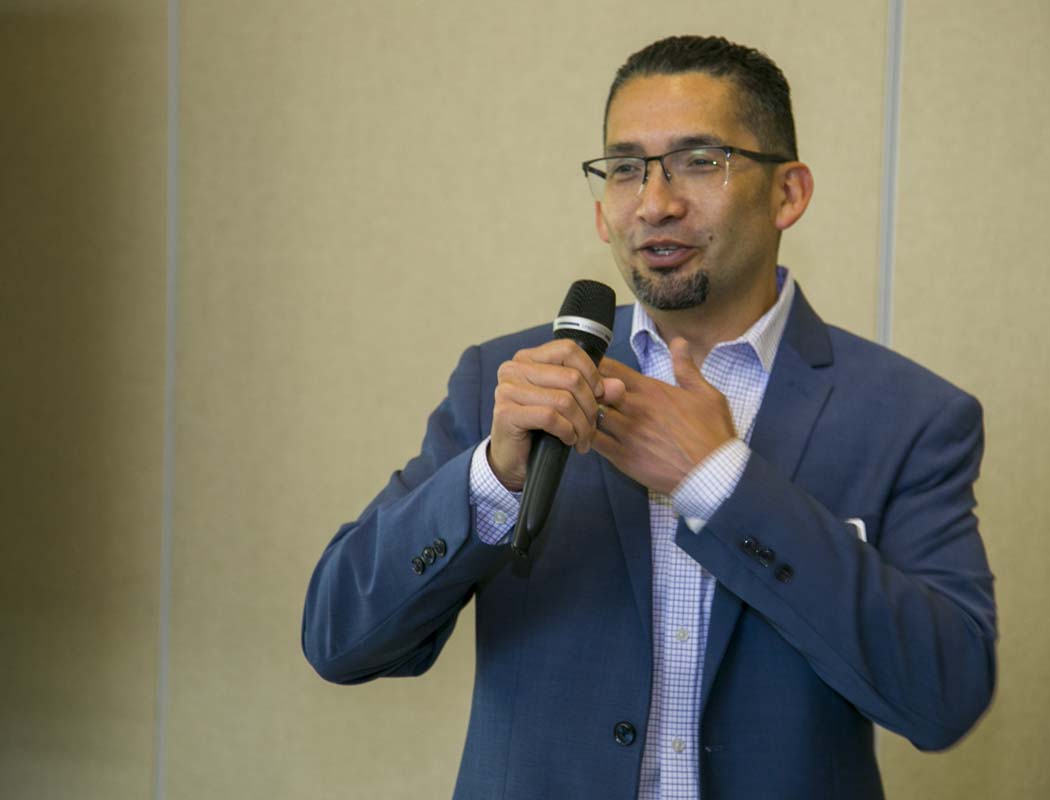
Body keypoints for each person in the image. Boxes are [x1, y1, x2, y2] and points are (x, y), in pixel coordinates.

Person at [302, 35, 996, 800]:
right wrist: (491, 481)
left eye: (701, 161)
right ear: (603, 209)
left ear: (787, 194)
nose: (655, 202)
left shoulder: (911, 416)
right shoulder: (505, 385)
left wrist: (723, 483)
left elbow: (945, 698)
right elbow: (339, 641)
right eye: (626, 168)